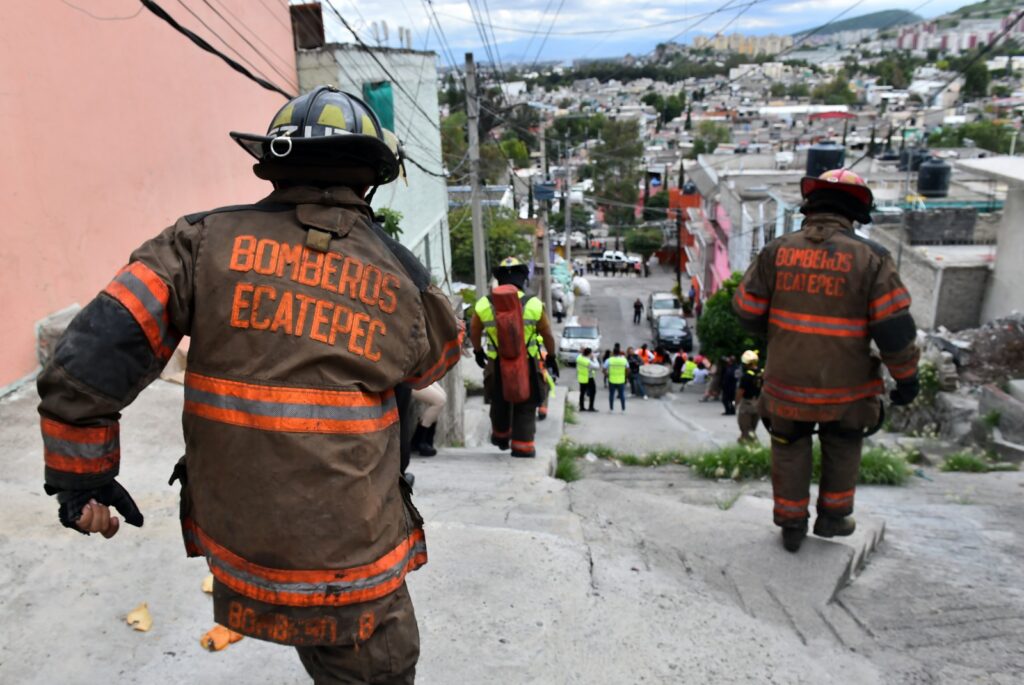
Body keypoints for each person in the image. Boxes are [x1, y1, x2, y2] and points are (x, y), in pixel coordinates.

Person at [36, 87, 463, 682]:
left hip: (237, 545)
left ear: (272, 167)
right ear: (370, 180)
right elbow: (433, 365)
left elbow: (87, 359)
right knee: (378, 666)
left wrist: (81, 480)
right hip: (351, 567)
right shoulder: (405, 280)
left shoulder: (194, 244)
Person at [734, 168, 920, 553]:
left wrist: (783, 335)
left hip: (785, 383)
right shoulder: (873, 260)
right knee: (843, 440)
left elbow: (747, 311)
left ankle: (790, 522)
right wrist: (907, 379)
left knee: (787, 443)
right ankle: (834, 517)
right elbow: (894, 332)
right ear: (855, 212)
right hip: (847, 390)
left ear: (811, 205)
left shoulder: (776, 251)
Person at [470, 257, 559, 458]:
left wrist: (477, 352)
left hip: (496, 364)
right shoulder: (533, 304)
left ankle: (501, 435)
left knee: (498, 400)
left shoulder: (484, 304)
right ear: (522, 278)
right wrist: (551, 356)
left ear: (499, 279)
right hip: (527, 363)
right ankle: (523, 446)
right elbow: (548, 335)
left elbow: (474, 332)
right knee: (526, 404)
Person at [410, 382, 448, 457]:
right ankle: (421, 441)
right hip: (409, 376)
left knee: (443, 396)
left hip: (422, 375)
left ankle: (420, 440)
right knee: (439, 401)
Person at [736, 350, 762, 443]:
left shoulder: (746, 376)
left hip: (747, 404)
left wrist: (736, 403)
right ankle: (742, 444)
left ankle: (756, 448)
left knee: (746, 429)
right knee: (751, 429)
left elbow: (740, 391)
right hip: (758, 403)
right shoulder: (762, 373)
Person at [604, 344, 629, 411]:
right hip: (621, 380)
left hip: (612, 380)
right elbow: (627, 369)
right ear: (619, 353)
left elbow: (603, 370)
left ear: (613, 353)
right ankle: (623, 407)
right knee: (622, 394)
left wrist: (607, 375)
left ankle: (611, 408)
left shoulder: (609, 360)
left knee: (611, 394)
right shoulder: (624, 360)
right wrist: (626, 377)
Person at [575, 347, 599, 412]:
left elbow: (580, 354)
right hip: (589, 378)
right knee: (593, 392)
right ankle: (591, 407)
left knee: (582, 393)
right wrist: (594, 358)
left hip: (581, 377)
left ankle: (581, 407)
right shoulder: (588, 362)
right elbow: (597, 367)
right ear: (589, 354)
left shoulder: (579, 358)